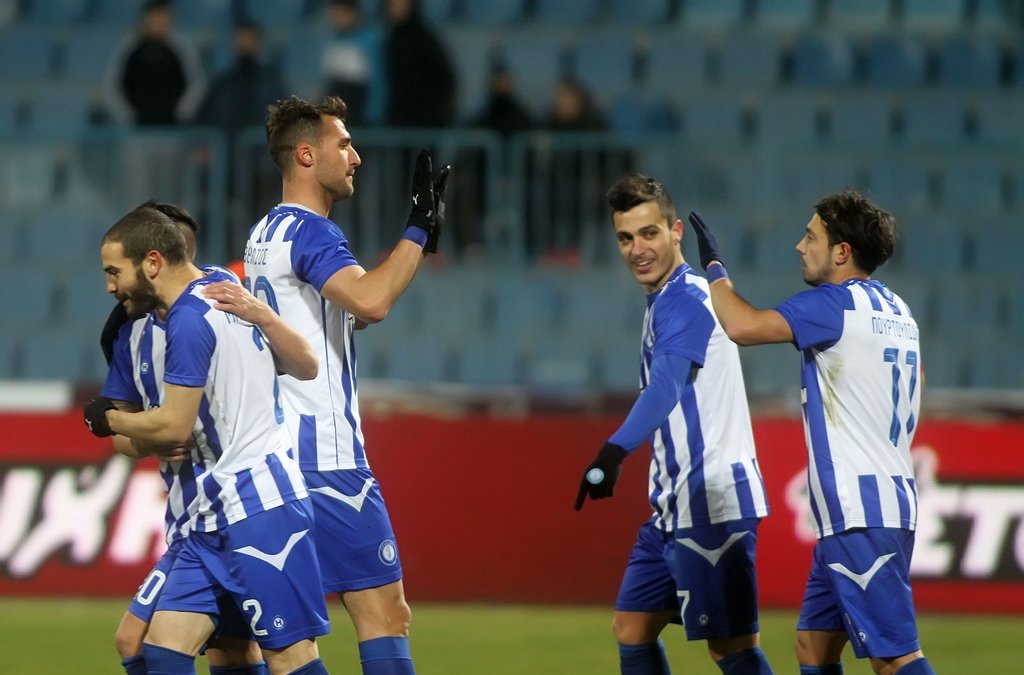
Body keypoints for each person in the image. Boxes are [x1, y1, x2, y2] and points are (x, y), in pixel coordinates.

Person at [686, 192, 934, 675]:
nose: (800, 247)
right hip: (887, 499)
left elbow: (742, 326)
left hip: (858, 512)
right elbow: (917, 381)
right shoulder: (898, 310)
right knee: (813, 648)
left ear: (842, 252)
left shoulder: (833, 303)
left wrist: (714, 269)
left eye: (811, 237)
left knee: (894, 658)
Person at [243, 94, 448, 675]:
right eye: (344, 144)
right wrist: (418, 227)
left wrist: (407, 252)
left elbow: (344, 314)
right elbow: (372, 302)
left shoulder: (264, 233)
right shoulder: (313, 233)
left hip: (274, 456)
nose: (356, 157)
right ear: (307, 155)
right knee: (385, 616)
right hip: (327, 460)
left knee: (280, 641)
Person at [84, 206, 330, 675]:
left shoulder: (191, 318)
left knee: (289, 658)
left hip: (259, 506)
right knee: (161, 649)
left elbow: (174, 427)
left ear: (152, 262)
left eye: (115, 272)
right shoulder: (219, 285)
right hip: (208, 516)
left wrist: (107, 419)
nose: (110, 287)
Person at [575, 174, 773, 675]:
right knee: (632, 628)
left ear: (676, 231)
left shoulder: (685, 298)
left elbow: (665, 387)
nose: (637, 249)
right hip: (673, 504)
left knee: (732, 648)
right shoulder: (664, 300)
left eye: (649, 233)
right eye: (625, 238)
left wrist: (612, 453)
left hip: (710, 499)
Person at [100, 202, 269, 675]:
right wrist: (146, 437)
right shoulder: (130, 335)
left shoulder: (219, 300)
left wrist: (119, 422)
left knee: (148, 642)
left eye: (115, 272)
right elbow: (124, 434)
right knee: (227, 650)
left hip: (238, 508)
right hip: (188, 517)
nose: (111, 286)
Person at [195, 19, 289, 245]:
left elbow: (286, 117)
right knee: (223, 213)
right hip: (227, 159)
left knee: (261, 214)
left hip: (261, 162)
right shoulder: (224, 82)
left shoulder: (270, 81)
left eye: (249, 38)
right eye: (241, 38)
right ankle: (229, 258)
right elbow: (204, 115)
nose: (245, 43)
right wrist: (204, 146)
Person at [102, 0, 206, 126]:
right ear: (144, 20)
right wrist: (127, 117)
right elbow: (112, 85)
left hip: (173, 126)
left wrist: (182, 114)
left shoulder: (181, 47)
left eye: (163, 19)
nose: (159, 24)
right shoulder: (128, 46)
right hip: (135, 127)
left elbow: (196, 84)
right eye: (154, 19)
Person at [383, 0, 456, 127]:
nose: (394, 8)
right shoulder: (390, 38)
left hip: (423, 123)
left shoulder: (424, 39)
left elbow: (445, 79)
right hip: (397, 121)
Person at [320, 0, 385, 127]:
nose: (337, 18)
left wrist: (374, 114)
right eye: (334, 14)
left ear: (353, 13)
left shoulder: (370, 40)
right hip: (336, 113)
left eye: (341, 13)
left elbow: (377, 82)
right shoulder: (332, 43)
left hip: (359, 111)